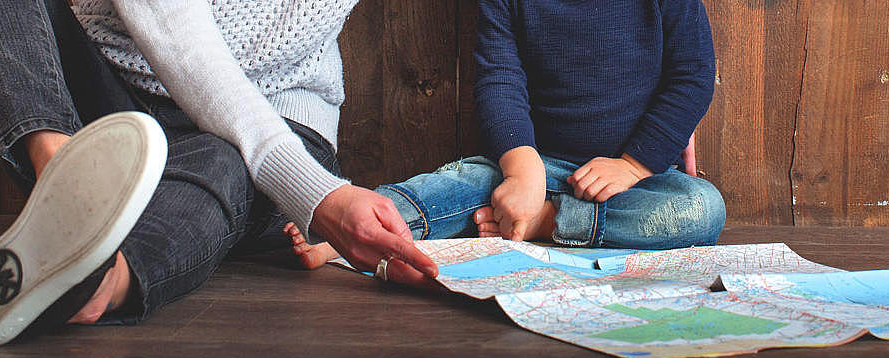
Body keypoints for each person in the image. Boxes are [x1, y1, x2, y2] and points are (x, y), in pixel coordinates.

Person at [0, 0, 436, 348]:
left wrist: (313, 188)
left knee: (223, 159)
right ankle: (61, 176)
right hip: (117, 99)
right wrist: (325, 199)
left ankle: (100, 279)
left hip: (278, 122)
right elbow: (180, 37)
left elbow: (268, 56)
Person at [288, 0, 725, 268]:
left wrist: (633, 165)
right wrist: (521, 169)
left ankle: (547, 223)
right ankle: (355, 231)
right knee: (457, 182)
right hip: (538, 164)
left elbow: (693, 75)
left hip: (634, 181)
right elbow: (500, 80)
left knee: (701, 208)